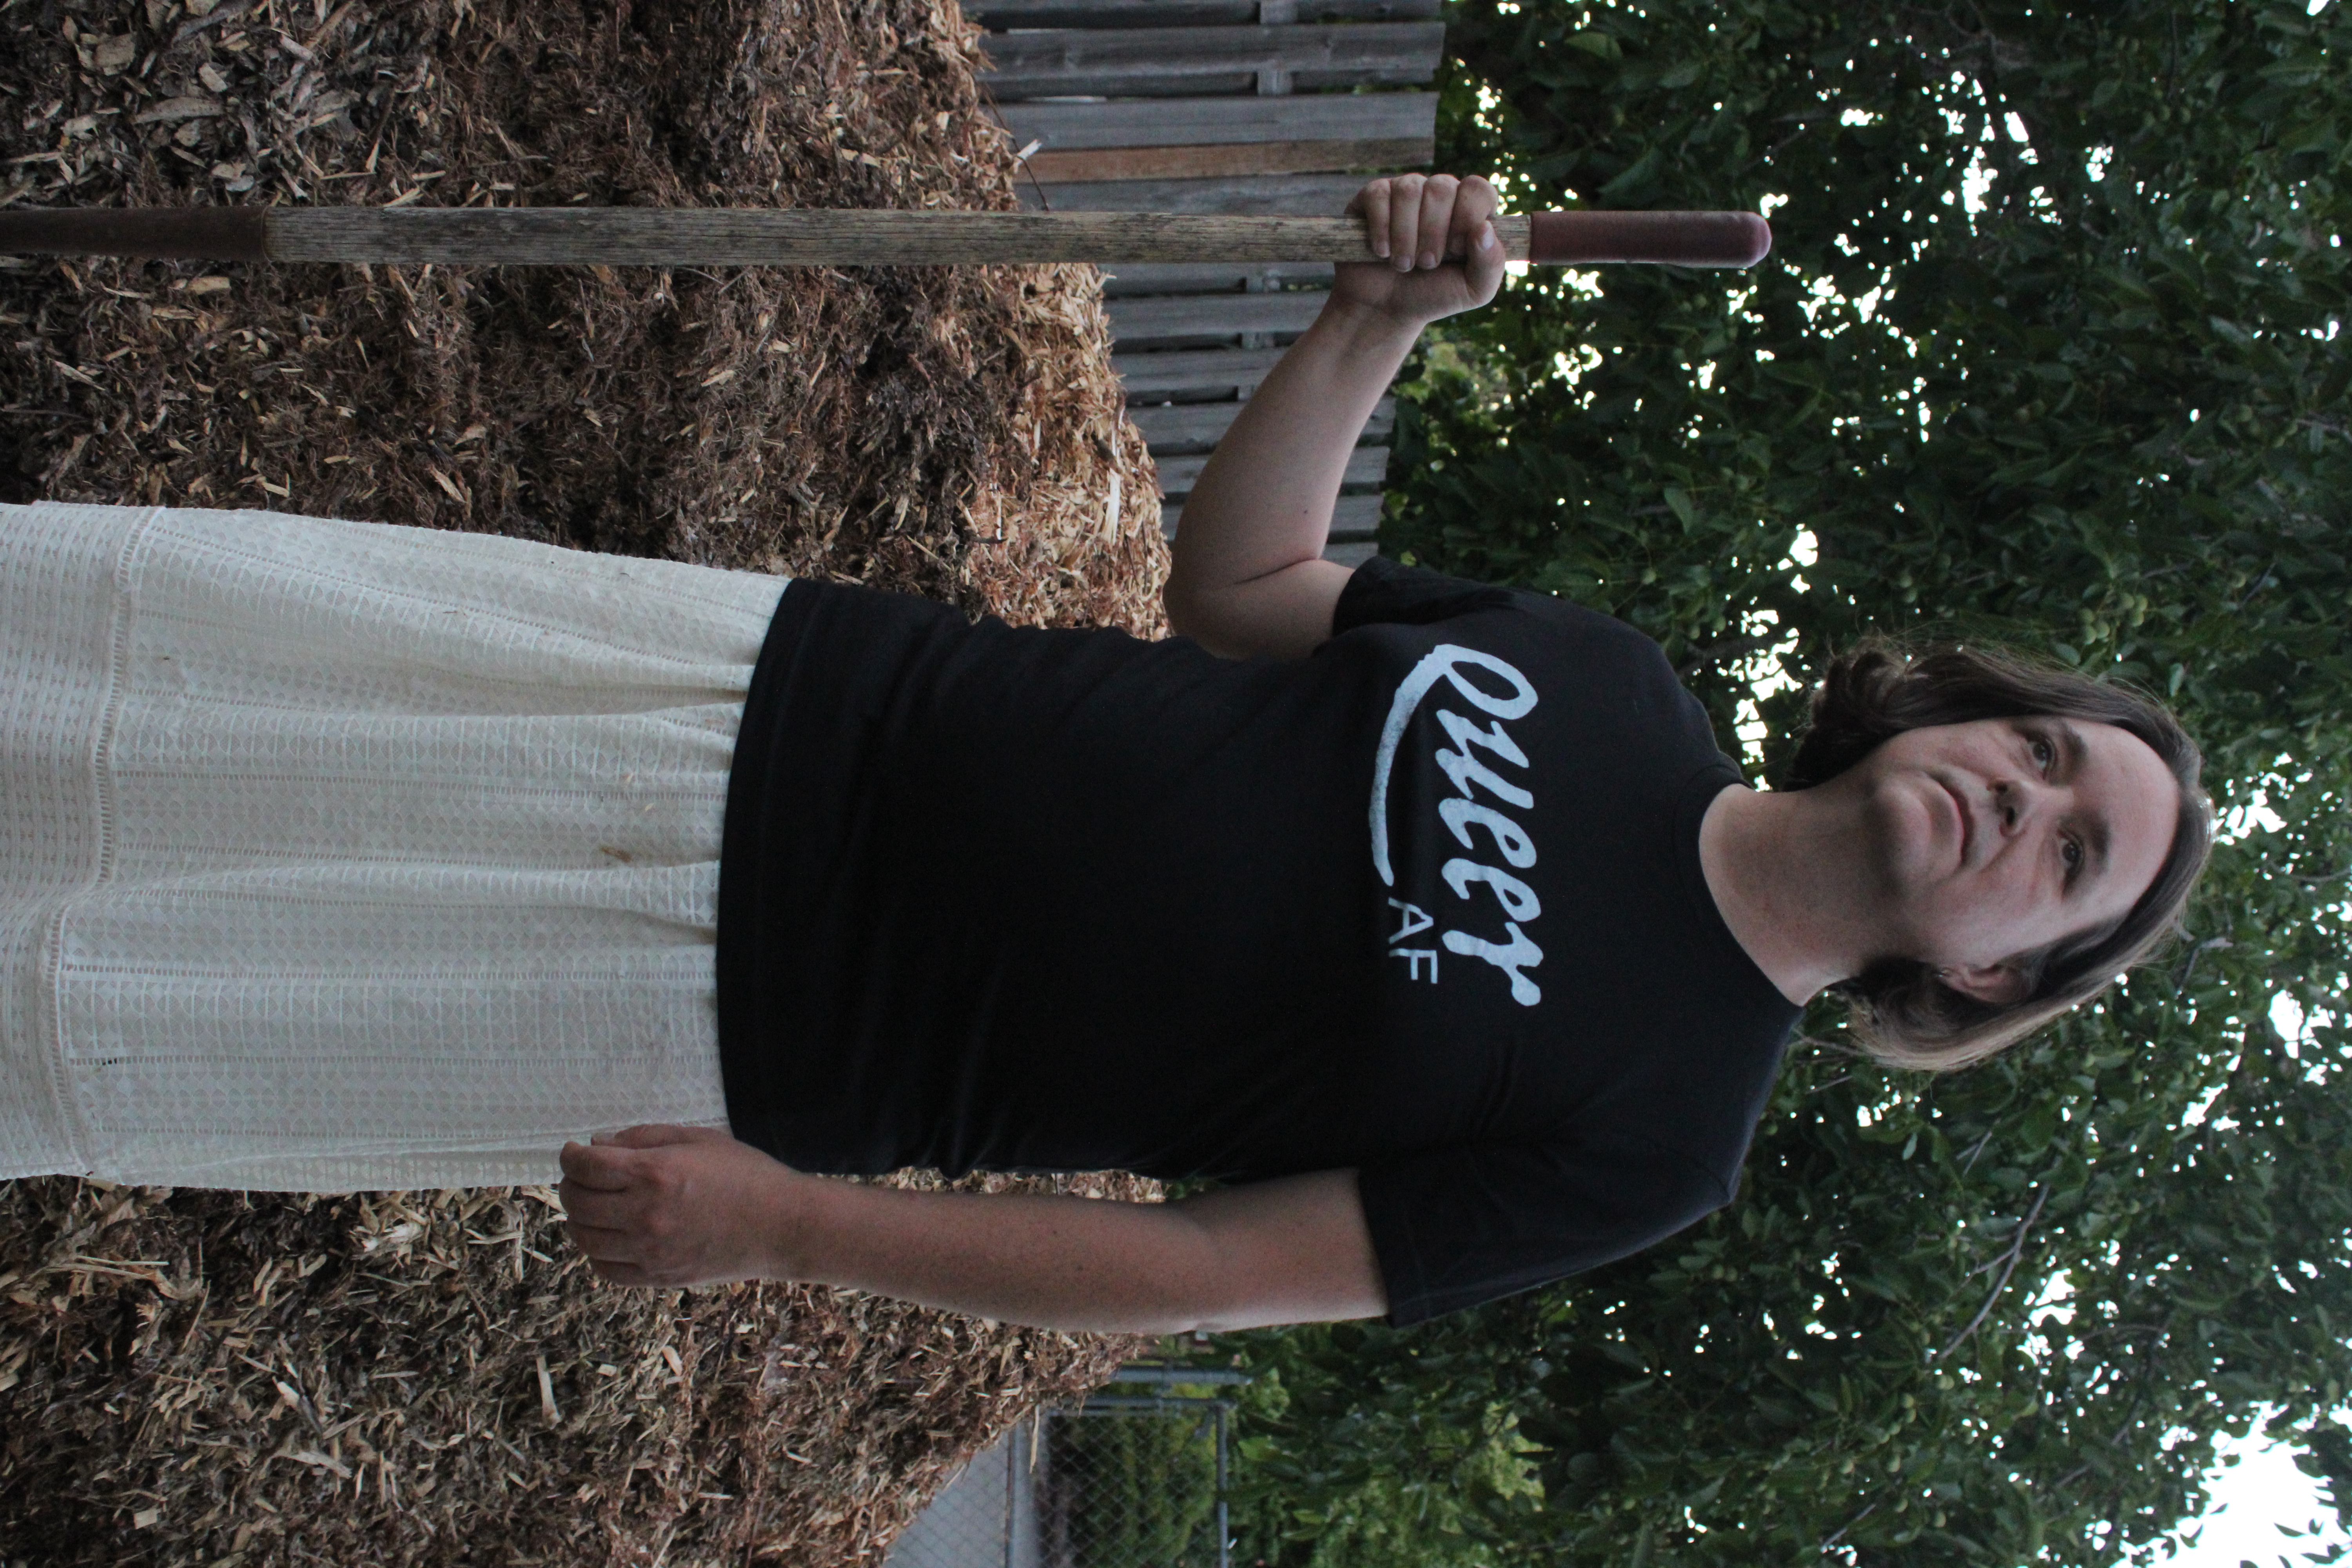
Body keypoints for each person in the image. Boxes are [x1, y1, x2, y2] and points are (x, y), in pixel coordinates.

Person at [0, 175, 2209, 1334]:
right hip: (759, 695)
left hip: (748, 1015)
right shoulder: (1611, 681)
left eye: (2068, 850)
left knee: (127, 999)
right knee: (159, 672)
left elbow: (1211, 1270)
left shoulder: (1664, 1134)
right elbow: (1239, 590)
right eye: (2038, 748)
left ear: (2004, 974)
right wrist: (1373, 321)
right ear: (1957, 711)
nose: (2018, 794)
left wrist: (793, 1230)